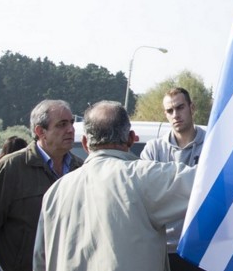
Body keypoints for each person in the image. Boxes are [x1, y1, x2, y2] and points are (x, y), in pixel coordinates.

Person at [33, 101, 198, 271]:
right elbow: (207, 185)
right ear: (130, 139)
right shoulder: (144, 177)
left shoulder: (54, 192)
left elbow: (40, 260)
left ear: (84, 143)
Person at [0, 100, 83, 271]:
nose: (71, 129)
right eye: (61, 125)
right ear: (40, 131)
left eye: (71, 123)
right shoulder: (11, 168)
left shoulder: (81, 170)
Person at [140, 87, 206, 271]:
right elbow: (147, 195)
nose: (175, 114)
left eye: (180, 107)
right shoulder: (153, 149)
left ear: (191, 108)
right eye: (170, 111)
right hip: (166, 248)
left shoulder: (211, 144)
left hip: (202, 247)